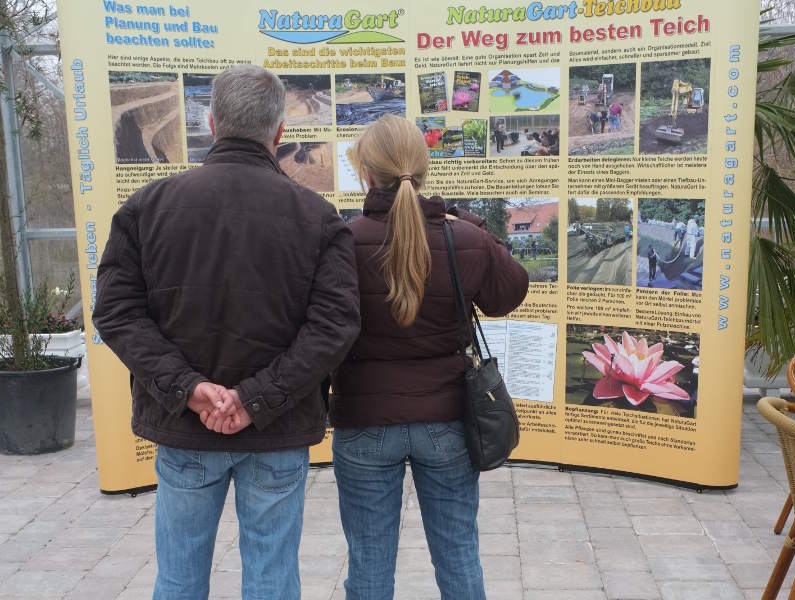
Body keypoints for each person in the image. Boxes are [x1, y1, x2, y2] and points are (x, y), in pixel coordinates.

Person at [93, 65, 361, 600]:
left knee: (179, 578)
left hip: (187, 428)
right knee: (272, 578)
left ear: (212, 124)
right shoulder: (318, 217)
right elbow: (335, 325)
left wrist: (188, 391)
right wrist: (254, 400)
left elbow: (116, 311)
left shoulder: (146, 208)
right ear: (280, 132)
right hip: (275, 429)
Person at [330, 115, 529, 600]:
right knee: (459, 554)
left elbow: (322, 329)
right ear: (423, 169)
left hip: (364, 420)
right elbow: (509, 293)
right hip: (448, 422)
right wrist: (473, 224)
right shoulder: (463, 238)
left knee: (369, 565)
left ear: (365, 173)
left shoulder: (342, 242)